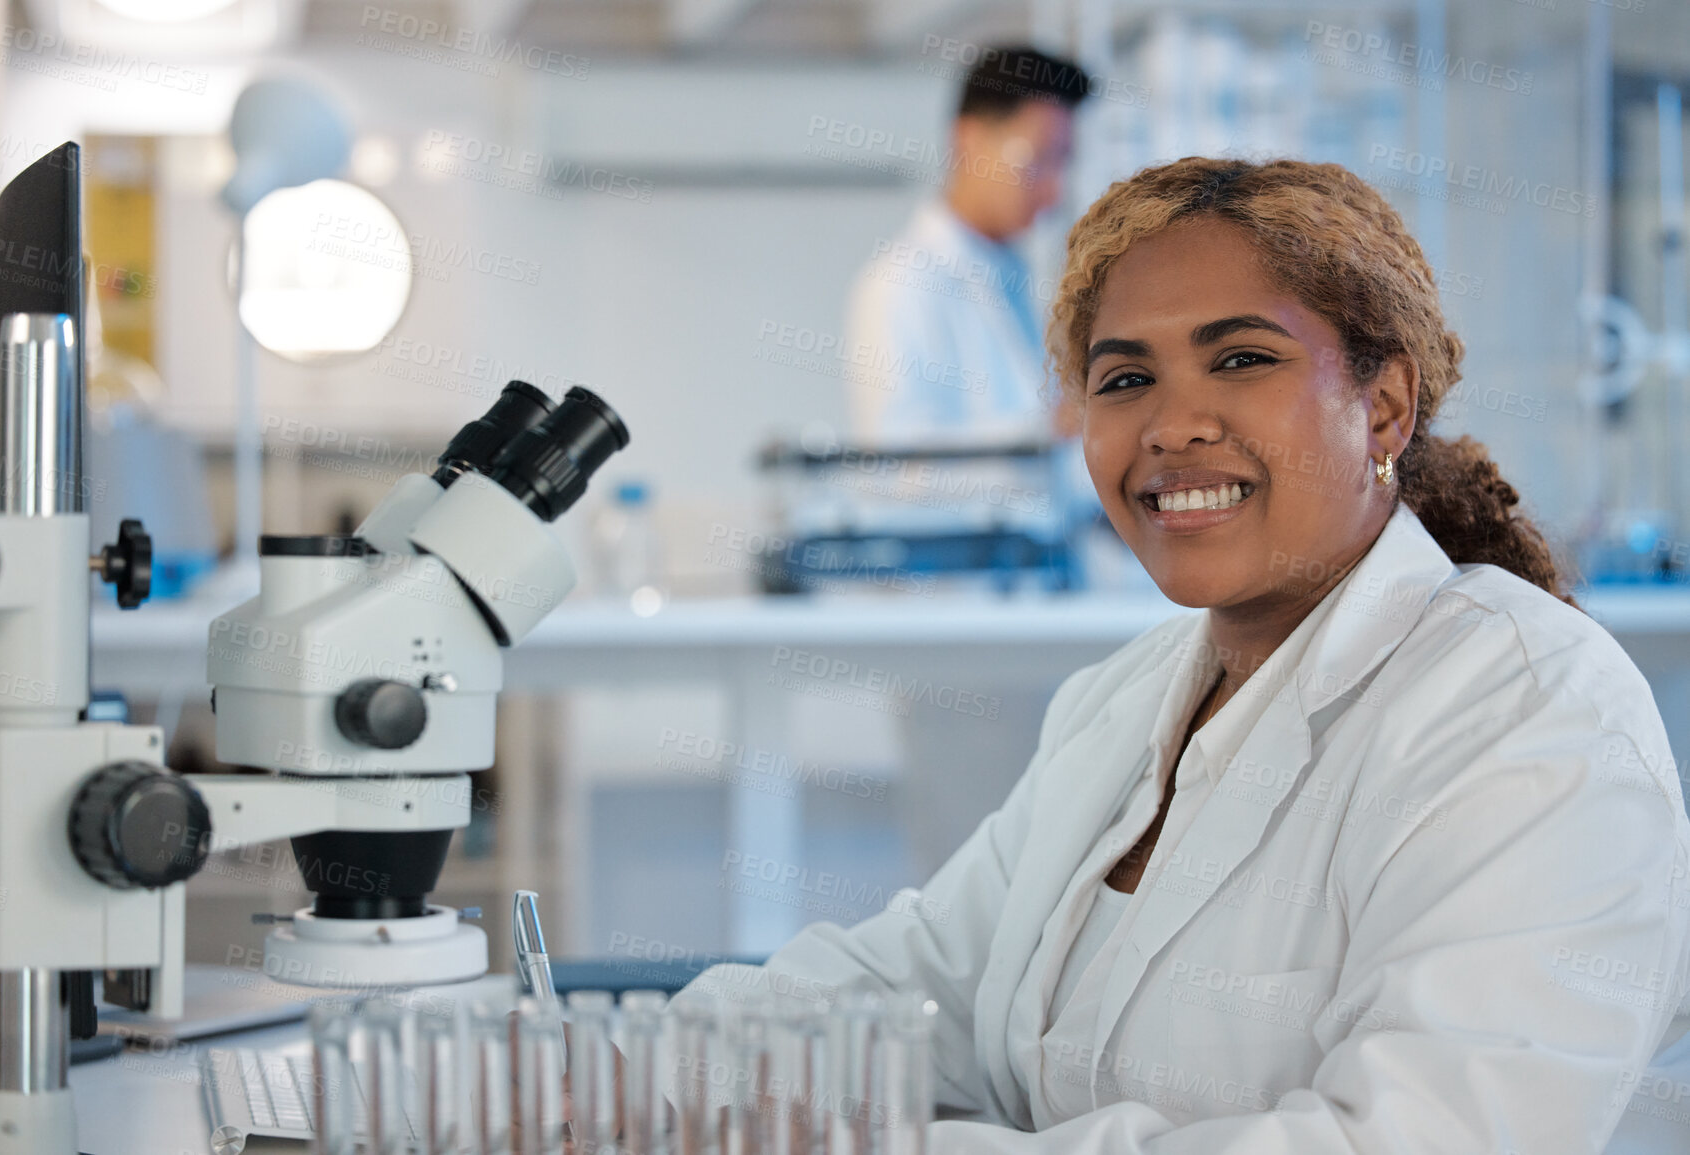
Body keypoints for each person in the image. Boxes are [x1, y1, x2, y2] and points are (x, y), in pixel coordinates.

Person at [679, 157, 1690, 1152]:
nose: (1172, 425)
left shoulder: (1531, 714)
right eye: (1124, 379)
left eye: (1243, 359)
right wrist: (636, 1072)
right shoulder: (1121, 701)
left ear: (1382, 407)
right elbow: (915, 986)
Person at [845, 44, 1088, 447]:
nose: (1054, 189)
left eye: (1063, 162)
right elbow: (896, 469)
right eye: (1038, 159)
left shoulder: (1015, 273)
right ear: (969, 141)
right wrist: (1050, 428)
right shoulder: (903, 284)